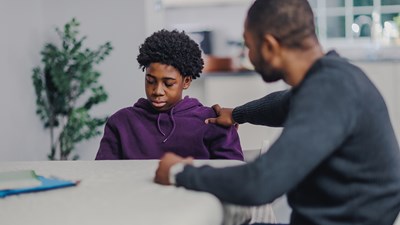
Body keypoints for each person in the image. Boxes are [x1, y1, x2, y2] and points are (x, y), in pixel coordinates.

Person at [154, 1, 400, 225]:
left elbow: (261, 183)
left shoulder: (330, 91)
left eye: (249, 46)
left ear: (270, 46)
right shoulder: (332, 77)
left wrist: (180, 172)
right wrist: (238, 114)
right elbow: (285, 103)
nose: (248, 56)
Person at [95, 29, 243, 160]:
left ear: (186, 82)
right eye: (150, 81)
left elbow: (233, 177)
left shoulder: (213, 121)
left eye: (168, 83)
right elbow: (103, 177)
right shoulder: (121, 122)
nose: (157, 91)